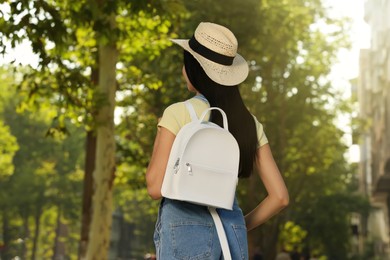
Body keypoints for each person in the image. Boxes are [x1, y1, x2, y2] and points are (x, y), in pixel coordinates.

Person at [146, 22, 289, 259]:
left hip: (184, 233)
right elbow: (280, 197)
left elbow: (154, 187)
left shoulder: (178, 113)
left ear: (193, 68)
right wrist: (238, 224)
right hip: (231, 232)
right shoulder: (249, 123)